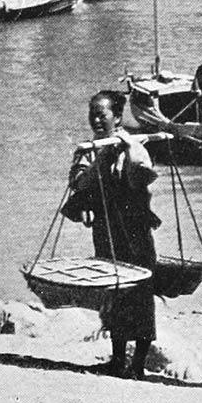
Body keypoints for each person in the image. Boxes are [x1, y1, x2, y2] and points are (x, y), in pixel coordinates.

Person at [64, 91, 159, 379]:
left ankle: (138, 364)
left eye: (101, 115)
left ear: (117, 118)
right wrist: (102, 158)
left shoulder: (134, 145)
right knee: (114, 292)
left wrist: (127, 150)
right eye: (92, 113)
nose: (95, 119)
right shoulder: (89, 150)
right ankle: (118, 360)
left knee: (141, 293)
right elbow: (80, 184)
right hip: (107, 230)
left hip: (135, 229)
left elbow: (141, 177)